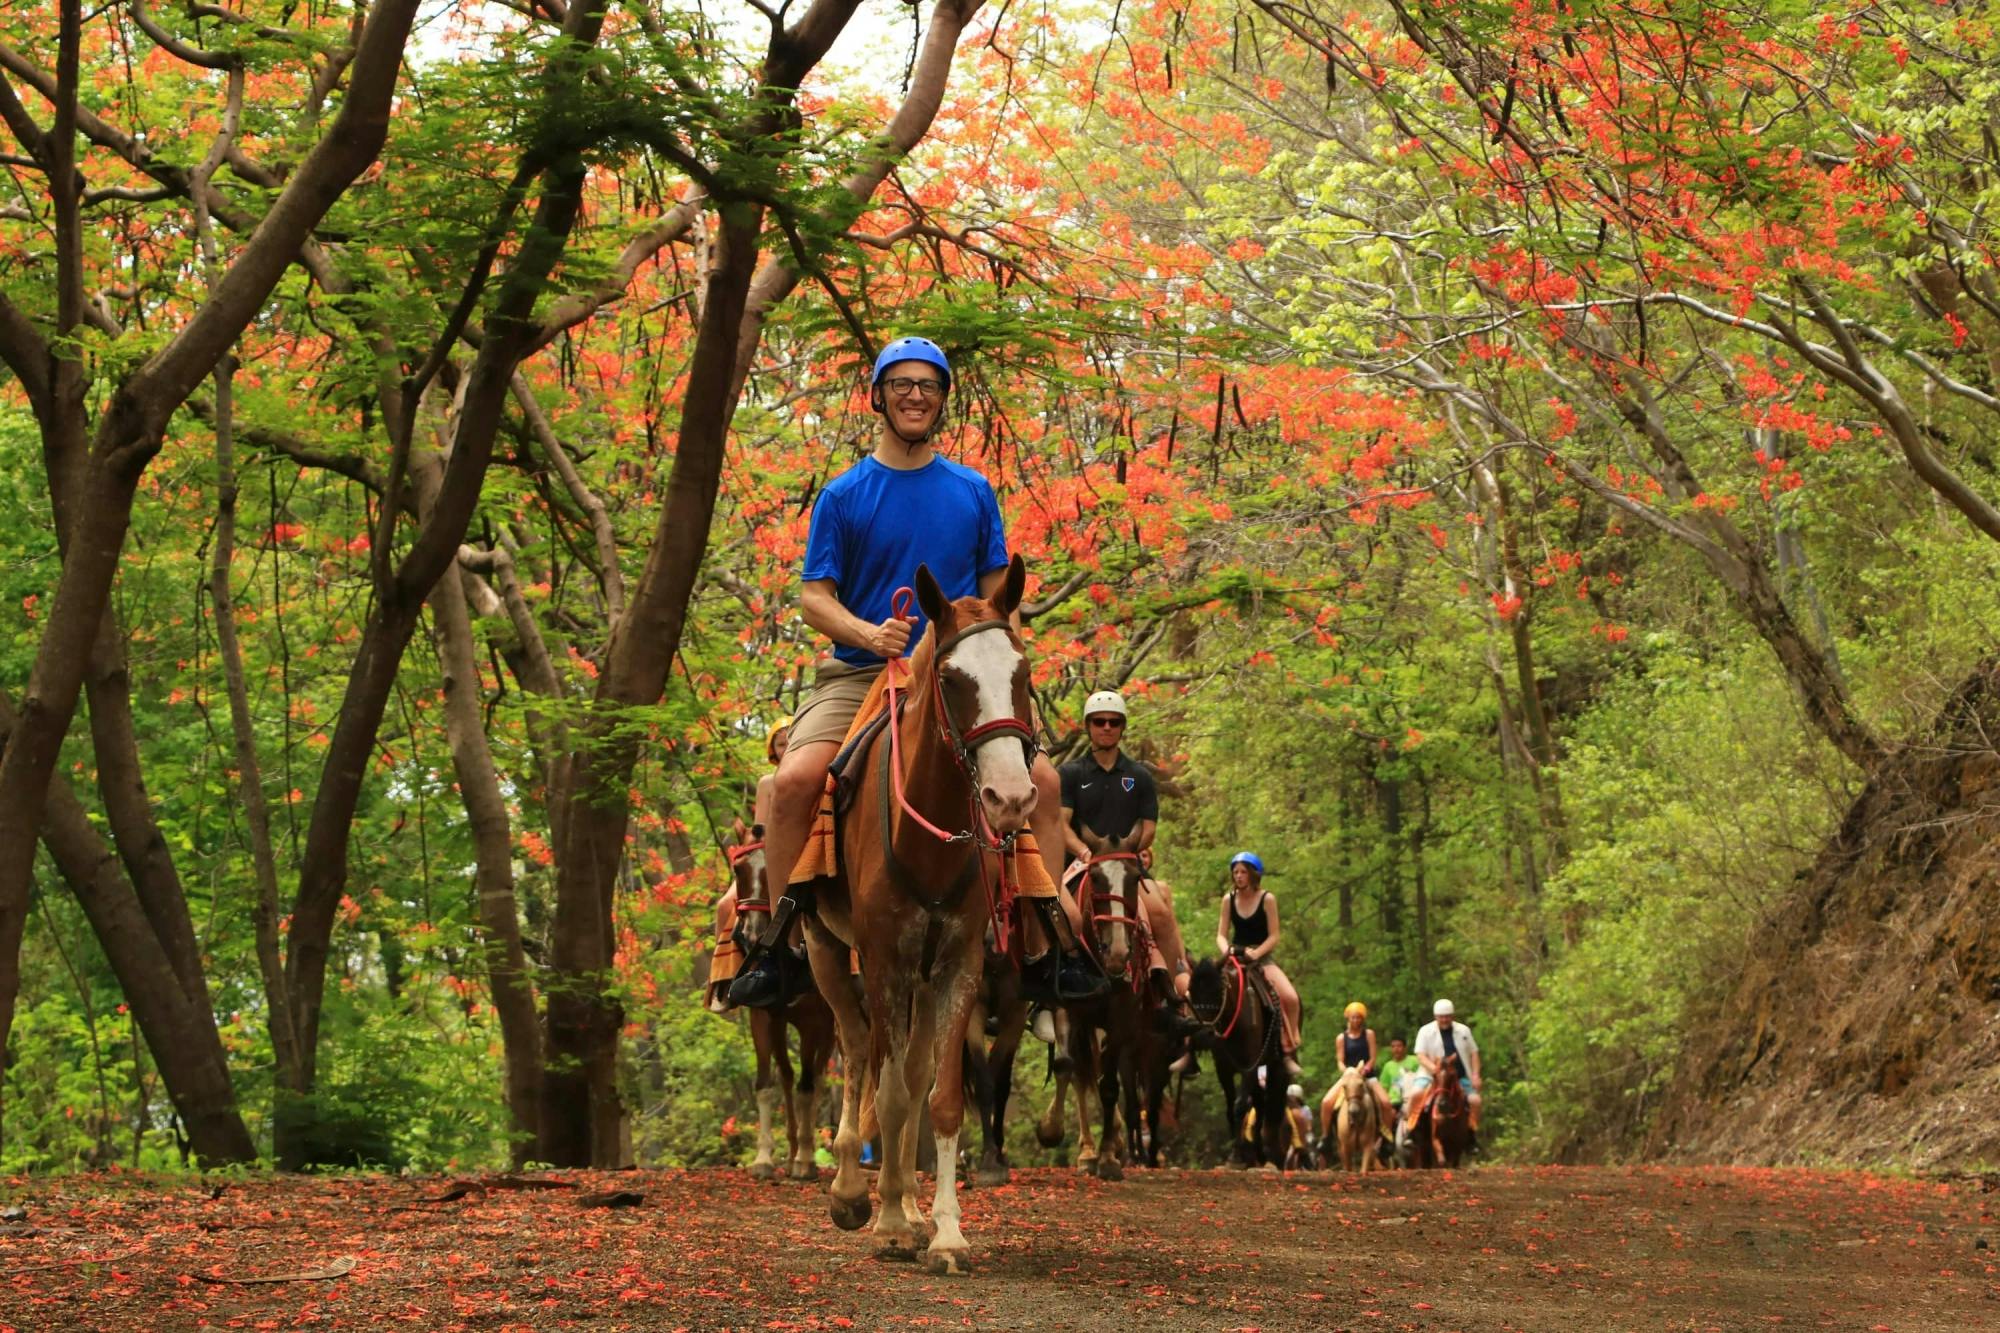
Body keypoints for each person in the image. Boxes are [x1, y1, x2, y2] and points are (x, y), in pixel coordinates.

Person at [727, 336, 1107, 1009]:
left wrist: (1005, 671)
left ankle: (1047, 943)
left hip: (958, 674)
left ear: (941, 400)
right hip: (860, 672)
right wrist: (869, 632)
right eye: (900, 384)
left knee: (1043, 781)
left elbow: (999, 595)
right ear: (878, 396)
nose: (914, 395)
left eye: (927, 386)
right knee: (790, 781)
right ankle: (778, 945)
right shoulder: (844, 495)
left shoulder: (973, 490)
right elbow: (814, 597)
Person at [1058, 689, 1196, 1030]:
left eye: (1114, 722)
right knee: (1050, 909)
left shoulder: (1140, 776)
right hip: (1082, 862)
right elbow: (1061, 825)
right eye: (1100, 722)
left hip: (1126, 864)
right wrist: (1084, 851)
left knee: (1160, 910)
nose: (1107, 727)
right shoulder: (1071, 774)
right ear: (1089, 726)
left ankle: (1172, 991)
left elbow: (1148, 828)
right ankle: (1047, 987)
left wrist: (1129, 852)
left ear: (1122, 727)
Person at [1214, 851, 1302, 1078]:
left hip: (1261, 959)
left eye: (1243, 872)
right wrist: (1227, 952)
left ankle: (1288, 1049)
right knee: (1203, 990)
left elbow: (1274, 936)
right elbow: (1221, 935)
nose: (1239, 876)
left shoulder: (1267, 899)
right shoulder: (1228, 899)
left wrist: (1257, 953)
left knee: (1290, 997)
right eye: (1235, 872)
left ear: (1254, 874)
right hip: (1234, 957)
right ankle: (1191, 1049)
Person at [1406, 998, 1483, 1151]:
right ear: (1435, 1017)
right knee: (1415, 1095)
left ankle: (1471, 1135)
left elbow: (1474, 1054)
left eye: (1447, 1016)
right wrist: (1434, 1068)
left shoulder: (1463, 1031)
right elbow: (1420, 1055)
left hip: (1458, 1077)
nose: (1444, 1019)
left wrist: (1475, 1075)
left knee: (1475, 1101)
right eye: (1441, 1016)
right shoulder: (1425, 1031)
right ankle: (1411, 1131)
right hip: (1430, 1075)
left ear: (1452, 1016)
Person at [1318, 1002, 1394, 1142]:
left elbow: (1372, 1058)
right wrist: (1348, 1071)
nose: (1355, 1020)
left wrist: (1365, 1069)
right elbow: (1340, 1061)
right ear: (1348, 1018)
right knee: (1326, 1102)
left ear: (1362, 1019)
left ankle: (1386, 1138)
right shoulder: (1341, 1038)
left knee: (1386, 1103)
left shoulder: (1369, 1034)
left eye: (1358, 1017)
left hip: (1367, 1075)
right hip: (1349, 1077)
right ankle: (1326, 1136)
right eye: (1353, 1017)